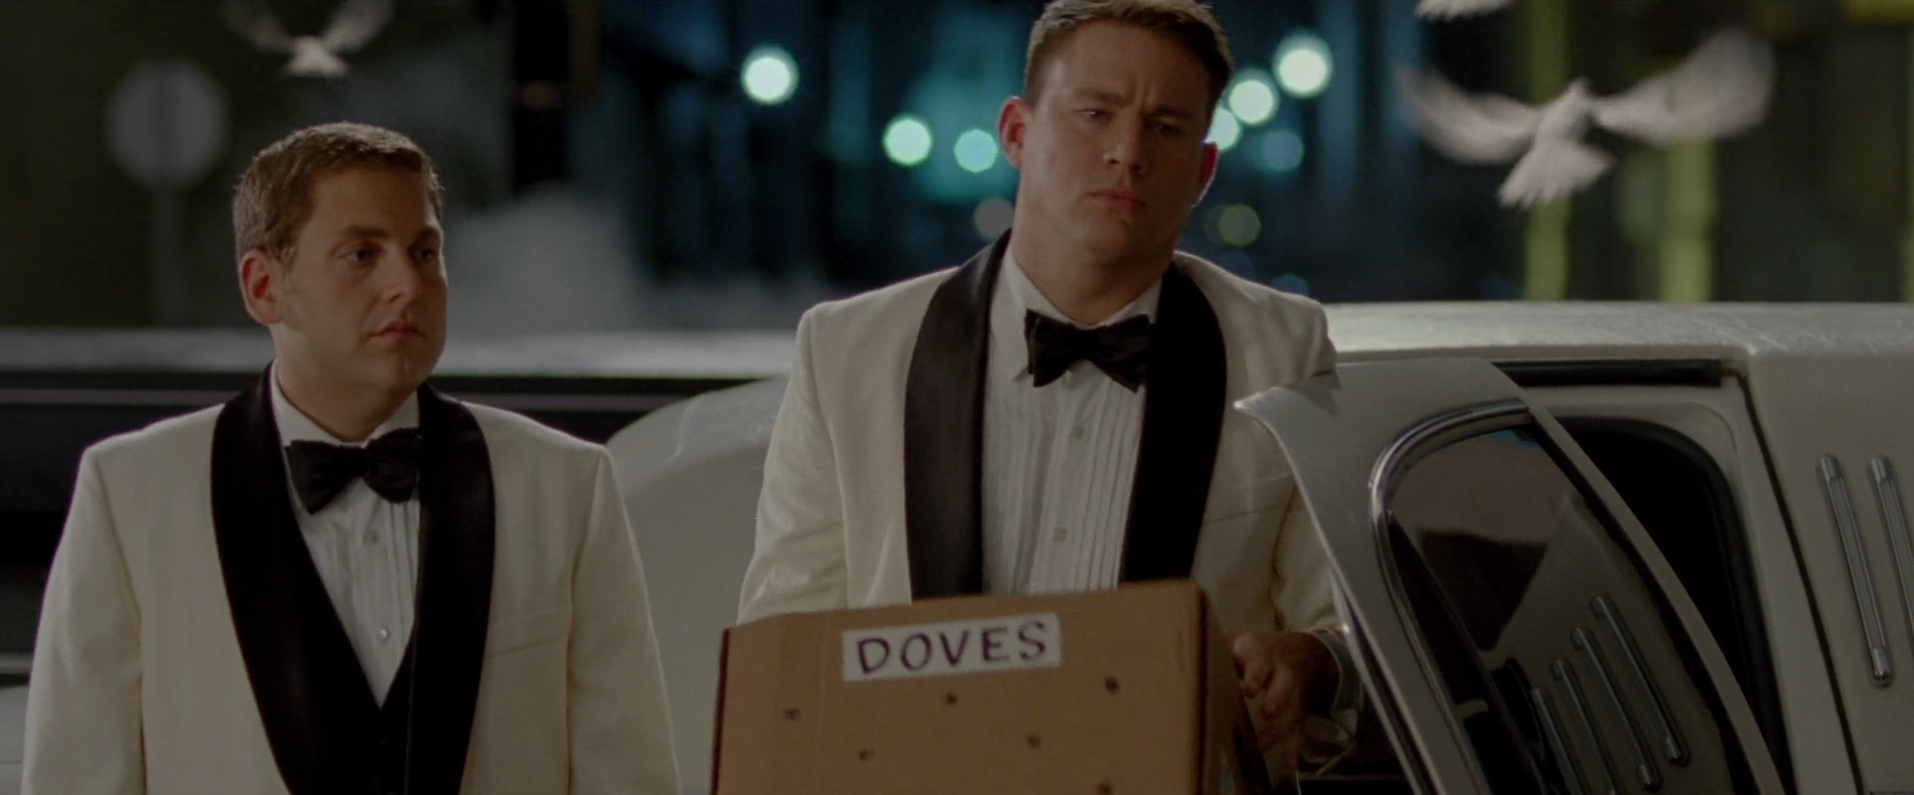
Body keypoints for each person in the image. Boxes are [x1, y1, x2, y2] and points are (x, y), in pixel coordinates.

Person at [737, 0, 1356, 771]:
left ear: (1203, 171)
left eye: (1166, 128)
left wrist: (1311, 666)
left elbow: (1342, 627)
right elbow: (788, 645)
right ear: (1016, 132)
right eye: (1095, 114)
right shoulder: (848, 350)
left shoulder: (1283, 347)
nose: (1127, 152)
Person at [25, 122, 680, 795]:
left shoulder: (567, 486)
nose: (407, 284)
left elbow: (629, 780)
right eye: (362, 254)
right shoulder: (131, 495)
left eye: (424, 253)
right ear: (263, 286)